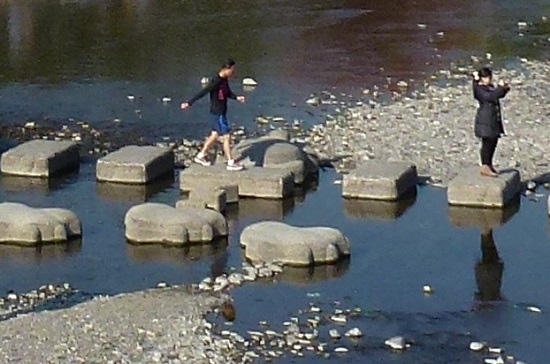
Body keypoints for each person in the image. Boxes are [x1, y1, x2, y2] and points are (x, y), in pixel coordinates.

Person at [181, 58, 245, 171]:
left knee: (215, 135)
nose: (233, 72)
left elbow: (227, 93)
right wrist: (189, 103)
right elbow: (203, 92)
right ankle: (230, 162)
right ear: (226, 69)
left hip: (220, 112)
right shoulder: (216, 81)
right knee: (226, 136)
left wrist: (237, 97)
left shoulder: (224, 80)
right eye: (233, 70)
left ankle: (200, 156)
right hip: (217, 112)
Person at [472, 67, 511, 177]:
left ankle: (489, 164)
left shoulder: (489, 87)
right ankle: (485, 165)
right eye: (486, 77)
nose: (488, 79)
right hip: (485, 120)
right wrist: (499, 88)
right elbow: (490, 96)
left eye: (489, 77)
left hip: (492, 119)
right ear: (481, 78)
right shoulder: (479, 89)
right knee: (487, 142)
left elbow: (498, 95)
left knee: (493, 141)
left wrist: (504, 88)